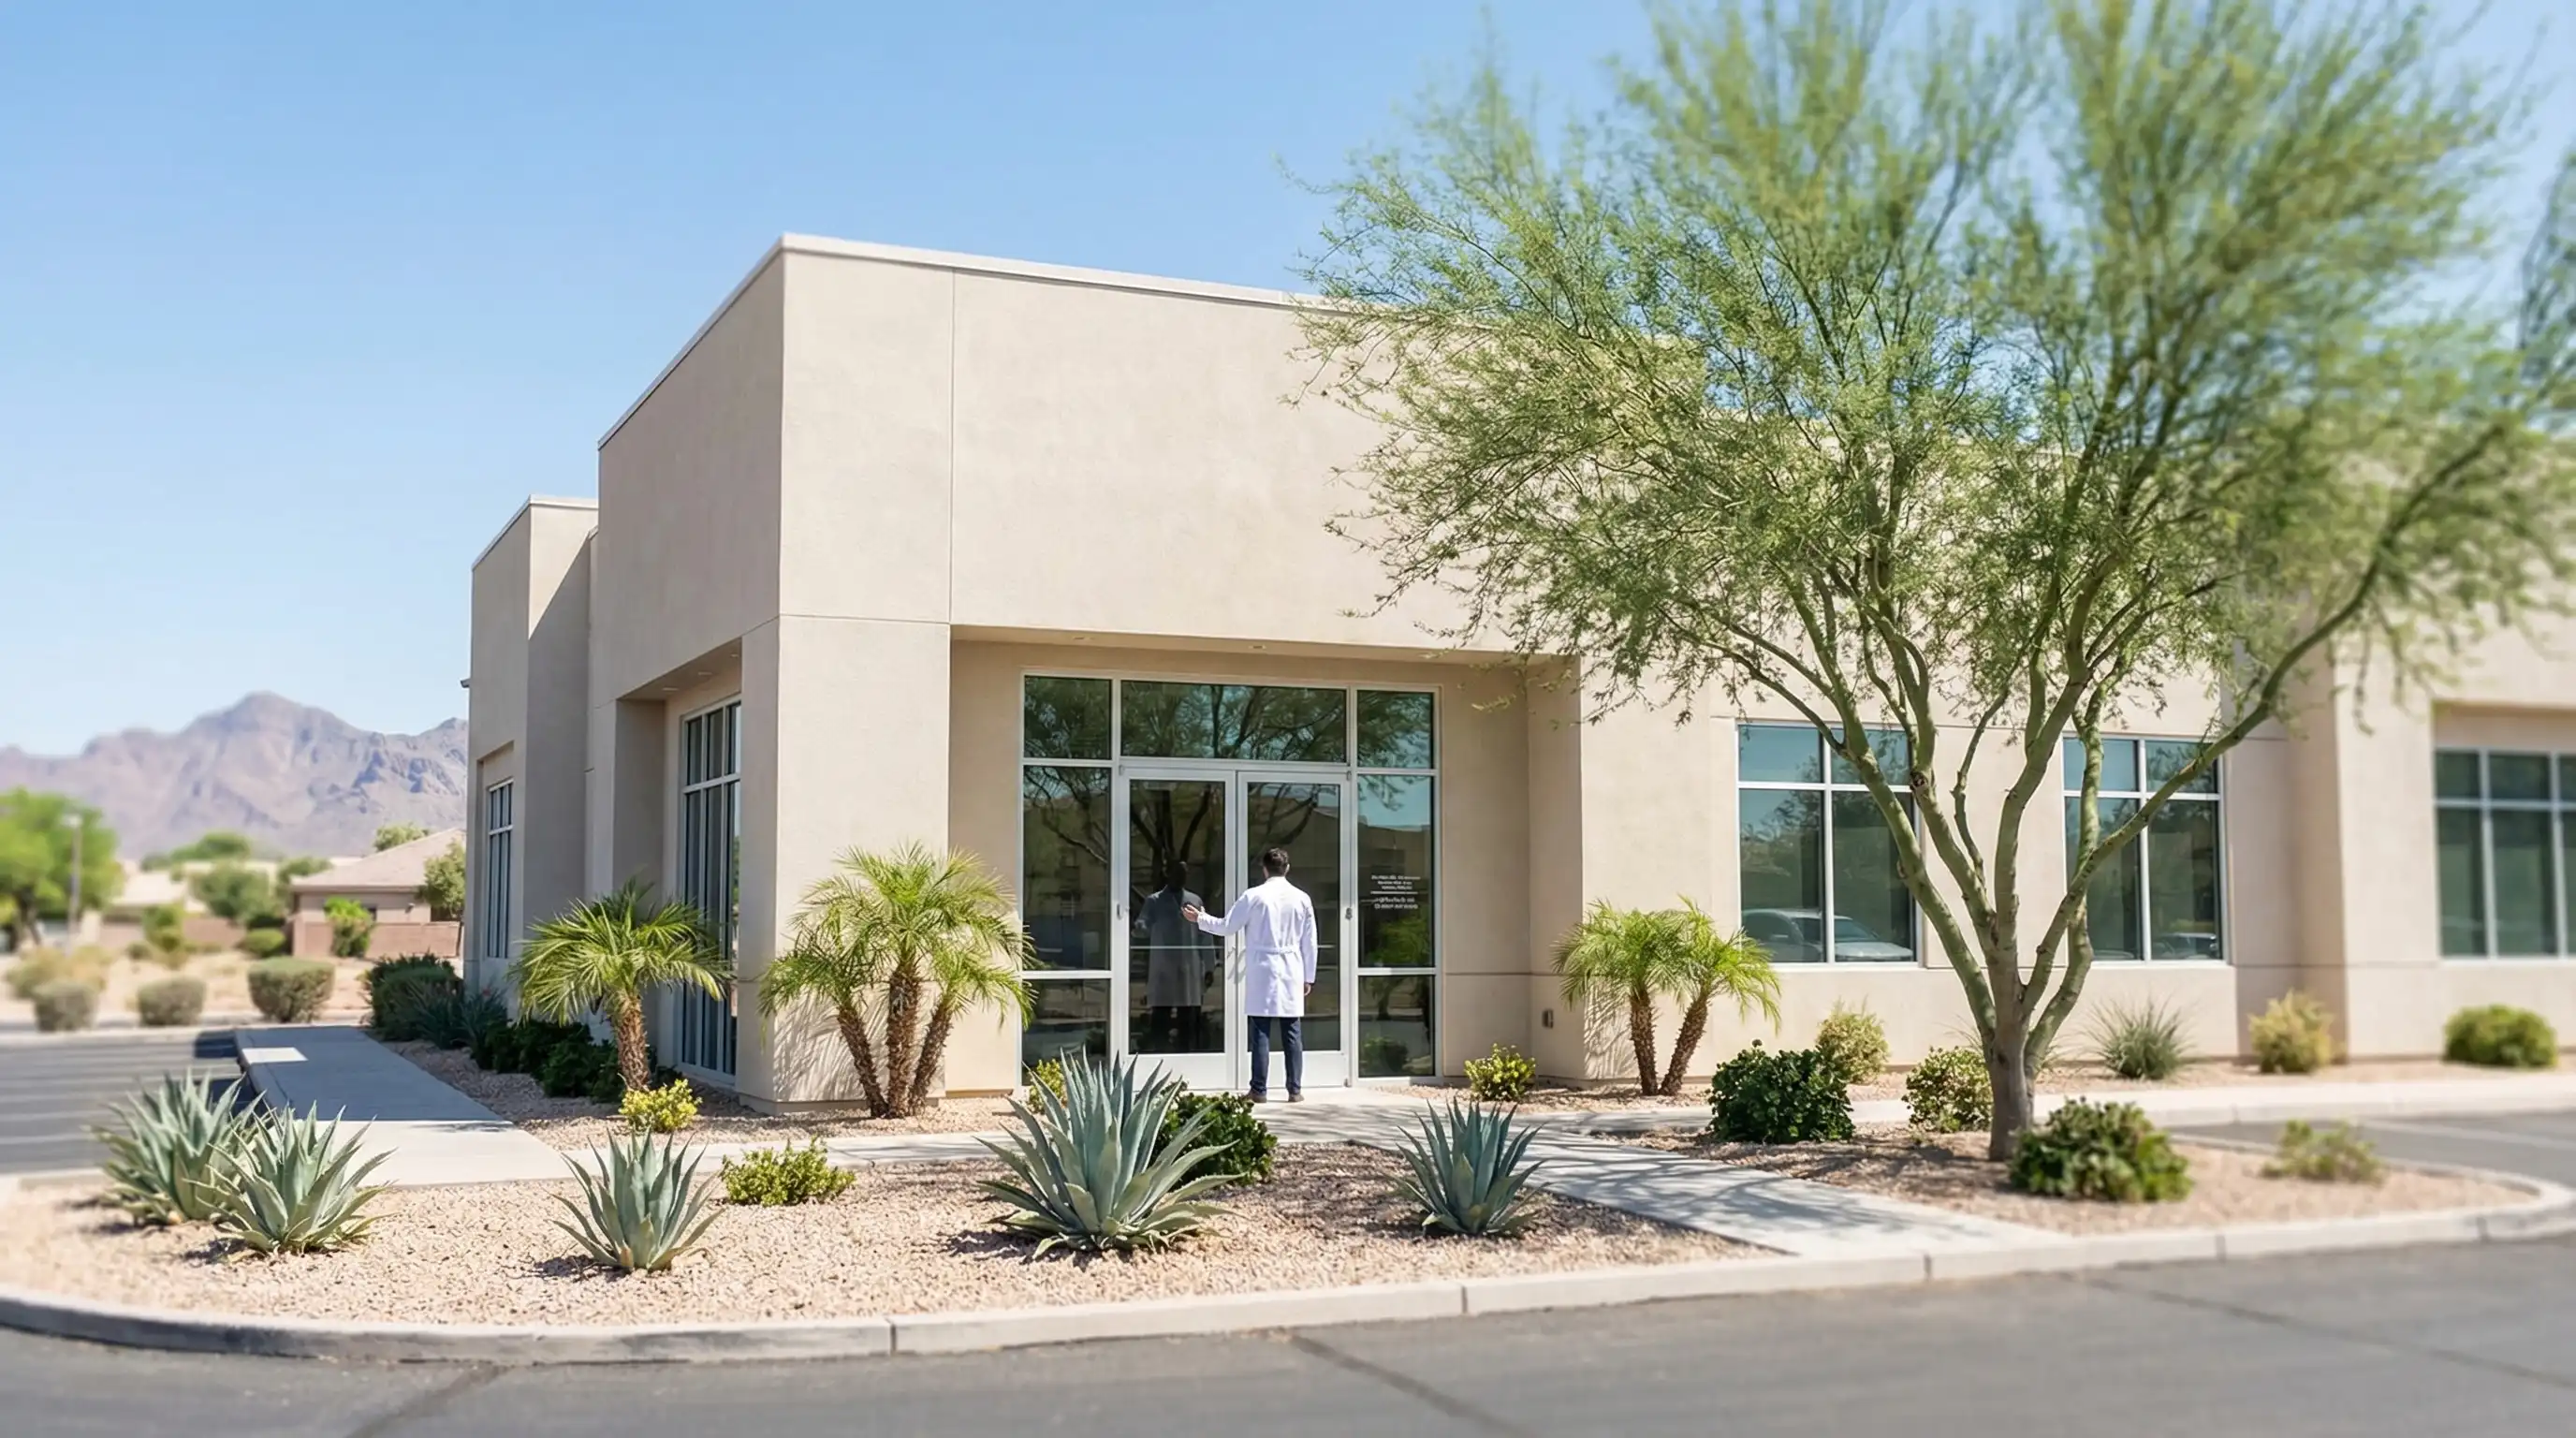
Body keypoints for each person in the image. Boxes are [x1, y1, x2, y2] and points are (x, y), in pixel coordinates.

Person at [1184, 845, 1316, 1102]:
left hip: (1262, 967)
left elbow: (1227, 926)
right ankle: (1295, 1089)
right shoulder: (1302, 898)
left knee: (1261, 1030)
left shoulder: (1254, 896)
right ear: (1286, 869)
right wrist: (1308, 976)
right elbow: (1309, 941)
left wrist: (1200, 918)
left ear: (1264, 869)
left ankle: (1259, 1090)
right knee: (1292, 1030)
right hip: (1291, 966)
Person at [1138, 861, 1213, 1049]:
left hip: (1189, 968)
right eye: (1178, 873)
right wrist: (1140, 927)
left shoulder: (1194, 901)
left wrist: (1210, 966)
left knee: (1188, 1016)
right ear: (1168, 874)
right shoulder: (1154, 901)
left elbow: (1205, 935)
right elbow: (1143, 923)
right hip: (1163, 967)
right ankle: (1159, 1054)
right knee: (1161, 1014)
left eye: (1185, 874)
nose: (1182, 877)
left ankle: (1186, 1054)